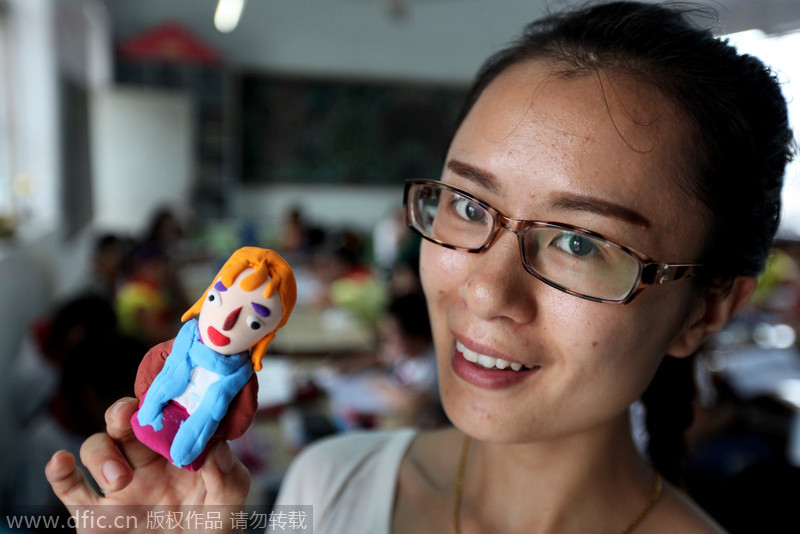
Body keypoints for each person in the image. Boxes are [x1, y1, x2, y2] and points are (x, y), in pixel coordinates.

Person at [45, 2, 794, 533]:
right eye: (468, 206)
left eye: (580, 242)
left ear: (705, 307)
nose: (482, 289)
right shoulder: (330, 487)